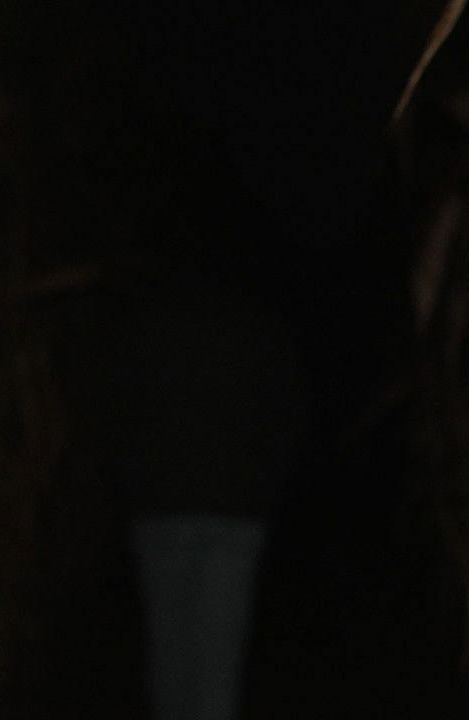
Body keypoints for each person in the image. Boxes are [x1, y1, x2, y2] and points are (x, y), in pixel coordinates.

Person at [95, 267, 306, 720]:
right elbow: (286, 419)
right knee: (216, 656)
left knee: (168, 647)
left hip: (161, 510)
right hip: (231, 512)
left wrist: (134, 486)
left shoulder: (147, 326)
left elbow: (113, 417)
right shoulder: (256, 329)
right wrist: (259, 488)